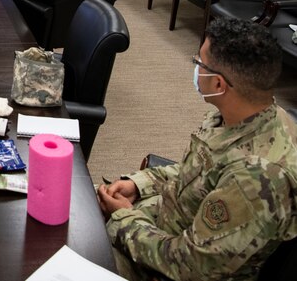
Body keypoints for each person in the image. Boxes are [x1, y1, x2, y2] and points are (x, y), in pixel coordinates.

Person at [97, 18, 297, 281]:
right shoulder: (241, 114)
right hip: (163, 222)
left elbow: (191, 266)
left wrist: (124, 219)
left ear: (218, 84)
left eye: (199, 63)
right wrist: (139, 184)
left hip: (170, 268)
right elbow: (195, 173)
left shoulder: (256, 177)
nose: (195, 66)